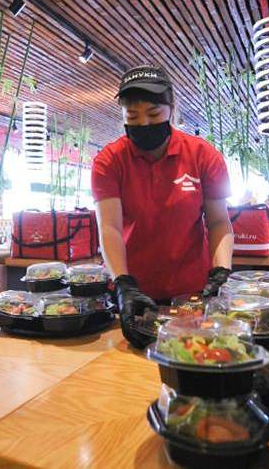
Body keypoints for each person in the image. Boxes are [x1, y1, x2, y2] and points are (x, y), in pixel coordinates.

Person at [91, 65, 234, 347]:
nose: (144, 124)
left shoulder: (203, 155)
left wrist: (221, 272)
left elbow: (219, 222)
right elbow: (110, 228)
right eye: (132, 116)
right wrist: (123, 284)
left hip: (192, 294)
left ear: (171, 110)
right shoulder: (109, 161)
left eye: (154, 114)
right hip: (135, 294)